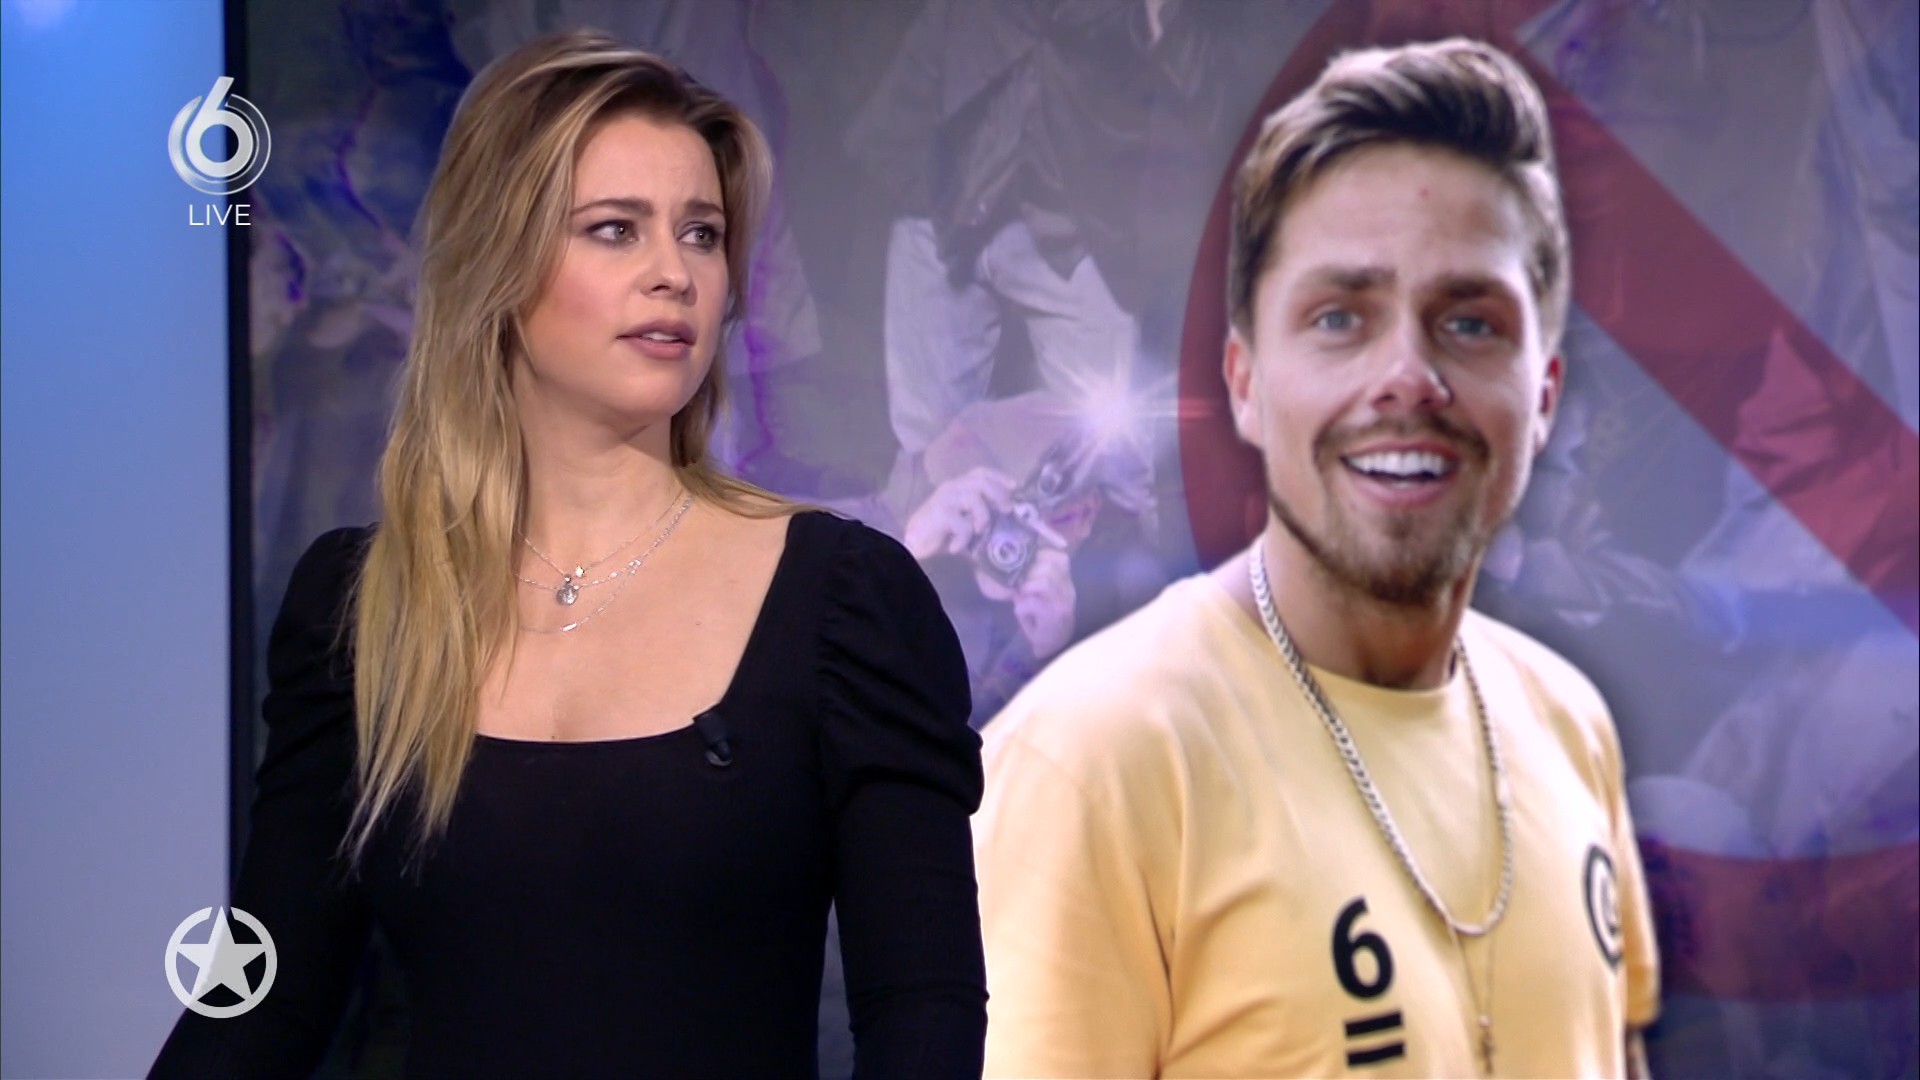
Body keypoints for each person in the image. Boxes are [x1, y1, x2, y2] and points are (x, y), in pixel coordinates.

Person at [152, 30, 985, 1079]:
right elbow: (260, 1007)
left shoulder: (844, 600)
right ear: (499, 264)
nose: (674, 274)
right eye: (614, 230)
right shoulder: (364, 609)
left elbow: (924, 1018)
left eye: (701, 234)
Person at [974, 38, 1659, 1078]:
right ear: (1244, 381)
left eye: (1469, 322)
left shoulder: (1572, 726)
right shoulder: (1093, 764)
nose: (1409, 375)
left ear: (1546, 394)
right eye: (1340, 317)